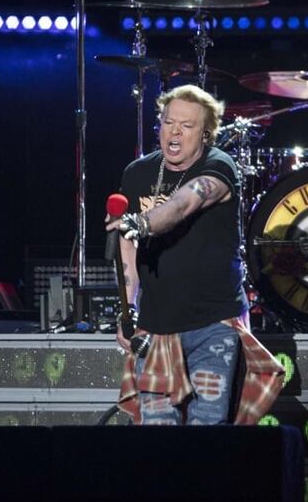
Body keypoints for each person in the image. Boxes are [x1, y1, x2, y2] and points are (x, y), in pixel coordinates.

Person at [108, 85, 284, 425]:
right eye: (168, 122)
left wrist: (143, 222)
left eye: (186, 126)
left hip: (213, 323)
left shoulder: (219, 165)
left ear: (205, 133)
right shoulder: (137, 173)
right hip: (155, 325)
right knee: (157, 430)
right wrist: (127, 309)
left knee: (208, 427)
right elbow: (126, 248)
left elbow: (186, 201)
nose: (174, 131)